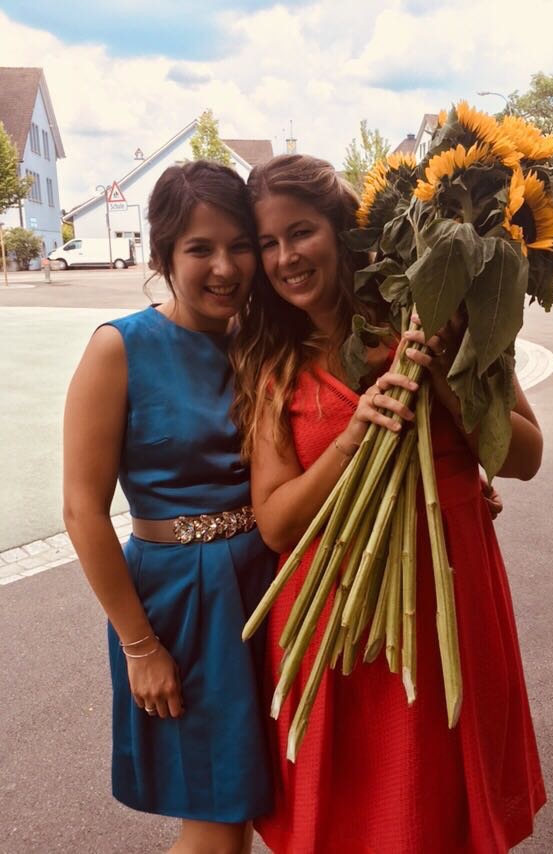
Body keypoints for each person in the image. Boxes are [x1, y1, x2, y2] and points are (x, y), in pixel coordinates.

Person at [232, 154, 546, 853]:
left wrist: (445, 379)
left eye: (301, 232)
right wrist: (351, 438)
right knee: (354, 819)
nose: (285, 258)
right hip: (333, 614)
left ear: (345, 231)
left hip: (447, 596)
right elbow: (277, 524)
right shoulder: (273, 363)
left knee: (444, 811)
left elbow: (524, 457)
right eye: (268, 243)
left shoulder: (444, 317)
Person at [63, 160, 275, 854]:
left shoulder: (263, 341)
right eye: (200, 248)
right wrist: (140, 647)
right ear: (162, 256)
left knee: (255, 806)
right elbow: (82, 511)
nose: (225, 267)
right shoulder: (119, 348)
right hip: (179, 608)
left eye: (239, 246)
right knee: (216, 818)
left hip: (270, 588)